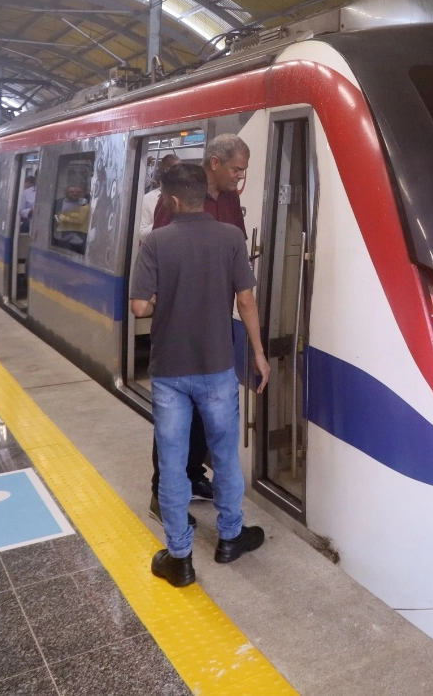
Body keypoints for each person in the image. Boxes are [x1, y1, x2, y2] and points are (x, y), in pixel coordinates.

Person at [132, 163, 270, 587]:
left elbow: (139, 308)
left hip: (170, 371)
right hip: (216, 369)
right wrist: (259, 356)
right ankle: (230, 538)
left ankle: (179, 558)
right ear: (200, 196)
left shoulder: (155, 242)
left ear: (172, 200)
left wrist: (162, 300)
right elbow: (245, 302)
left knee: (172, 463)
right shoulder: (230, 237)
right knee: (225, 455)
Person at [146, 137, 250, 519]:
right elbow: (158, 259)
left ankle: (191, 475)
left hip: (216, 321)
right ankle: (162, 493)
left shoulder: (229, 200)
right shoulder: (173, 202)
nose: (240, 177)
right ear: (214, 163)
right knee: (175, 419)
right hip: (179, 324)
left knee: (208, 413)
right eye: (236, 169)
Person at [138, 154, 180, 242]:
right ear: (163, 170)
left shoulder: (186, 198)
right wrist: (163, 222)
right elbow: (142, 234)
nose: (177, 174)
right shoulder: (148, 199)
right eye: (172, 170)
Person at [52, 184, 90, 253]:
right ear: (66, 193)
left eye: (78, 192)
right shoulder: (58, 202)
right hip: (62, 234)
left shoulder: (86, 205)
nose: (75, 194)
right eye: (72, 192)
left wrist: (64, 217)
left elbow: (81, 219)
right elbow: (54, 216)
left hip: (80, 234)